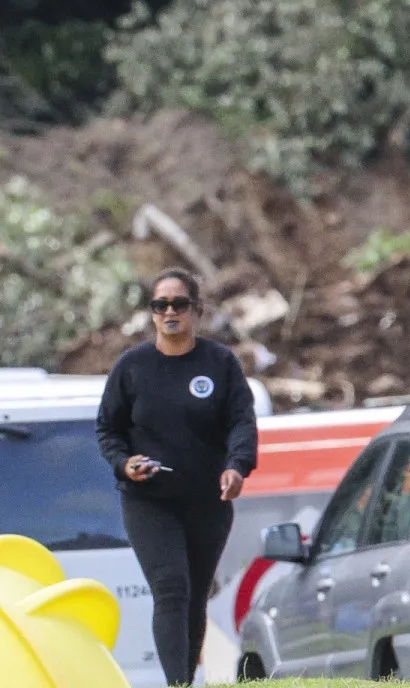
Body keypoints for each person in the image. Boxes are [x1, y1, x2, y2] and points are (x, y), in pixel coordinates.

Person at [97, 269, 258, 687]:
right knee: (171, 587)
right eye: (160, 305)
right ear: (152, 314)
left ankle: (186, 678)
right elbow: (107, 429)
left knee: (194, 596)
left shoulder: (219, 363)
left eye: (179, 304)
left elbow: (241, 422)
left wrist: (236, 466)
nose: (170, 312)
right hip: (149, 500)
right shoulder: (132, 367)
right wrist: (124, 463)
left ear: (196, 311)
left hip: (207, 500)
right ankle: (177, 683)